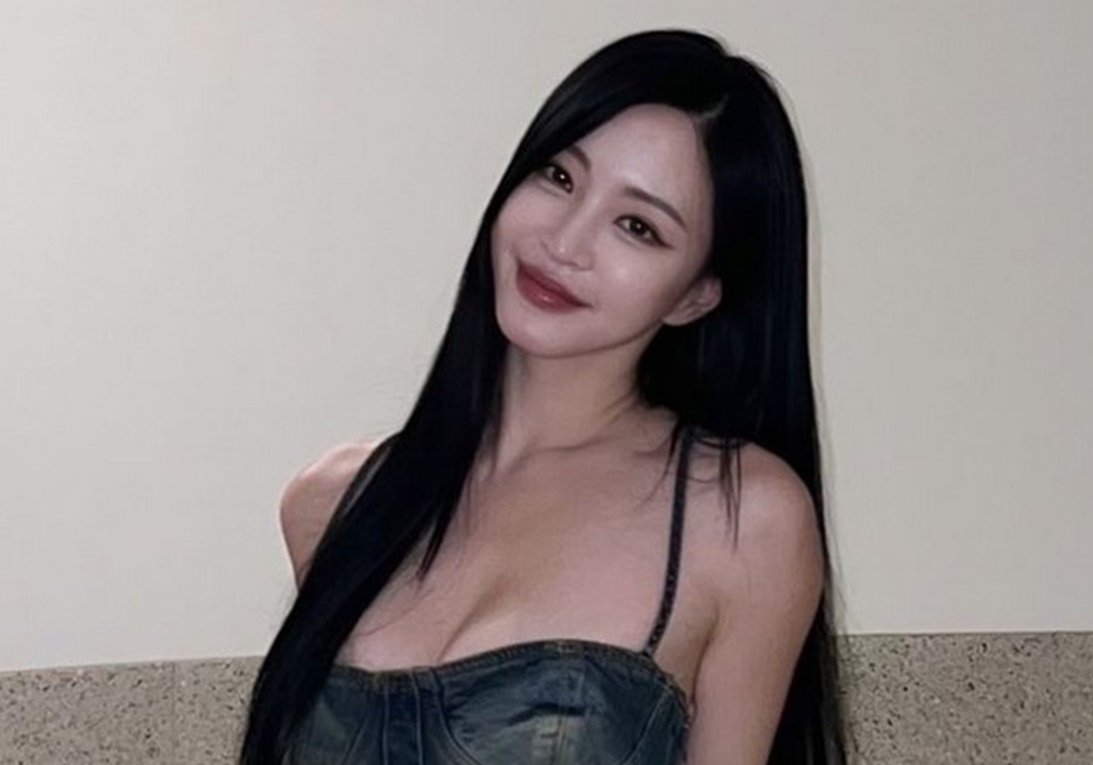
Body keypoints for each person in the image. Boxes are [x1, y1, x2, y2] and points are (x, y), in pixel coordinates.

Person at [238, 28, 850, 765]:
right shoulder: (333, 503)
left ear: (697, 294)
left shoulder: (745, 519)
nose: (565, 241)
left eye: (638, 226)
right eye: (559, 176)